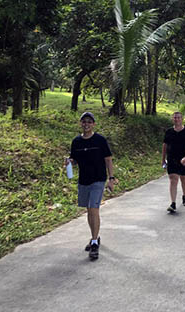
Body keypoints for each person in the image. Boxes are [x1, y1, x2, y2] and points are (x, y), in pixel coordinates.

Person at [66, 111, 116, 260]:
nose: (86, 124)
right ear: (81, 124)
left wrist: (111, 178)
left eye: (89, 122)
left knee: (94, 208)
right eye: (84, 121)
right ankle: (95, 236)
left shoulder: (100, 140)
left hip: (98, 180)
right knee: (89, 210)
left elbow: (108, 159)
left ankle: (94, 242)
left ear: (93, 124)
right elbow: (75, 160)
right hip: (84, 180)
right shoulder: (76, 142)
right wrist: (69, 162)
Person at [162, 112, 185, 213]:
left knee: (183, 178)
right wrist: (163, 159)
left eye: (178, 118)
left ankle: (184, 195)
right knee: (173, 179)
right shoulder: (169, 132)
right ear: (173, 119)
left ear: (182, 119)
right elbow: (164, 146)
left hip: (184, 159)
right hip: (171, 158)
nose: (176, 119)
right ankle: (173, 203)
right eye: (175, 118)